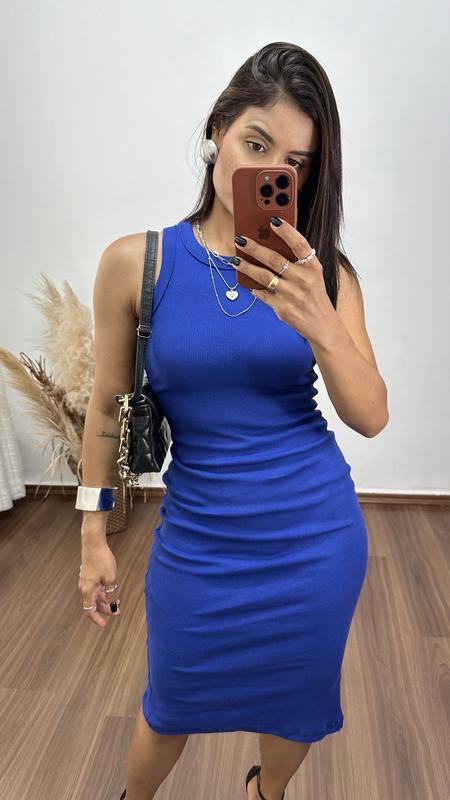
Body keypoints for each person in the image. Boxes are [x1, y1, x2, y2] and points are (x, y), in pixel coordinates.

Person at [77, 40, 389, 800]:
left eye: (295, 161)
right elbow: (106, 404)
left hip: (315, 538)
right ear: (218, 129)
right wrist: (92, 533)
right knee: (169, 705)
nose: (270, 171)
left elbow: (371, 415)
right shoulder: (138, 263)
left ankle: (264, 794)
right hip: (200, 540)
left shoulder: (324, 273)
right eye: (255, 144)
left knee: (298, 700)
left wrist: (319, 317)